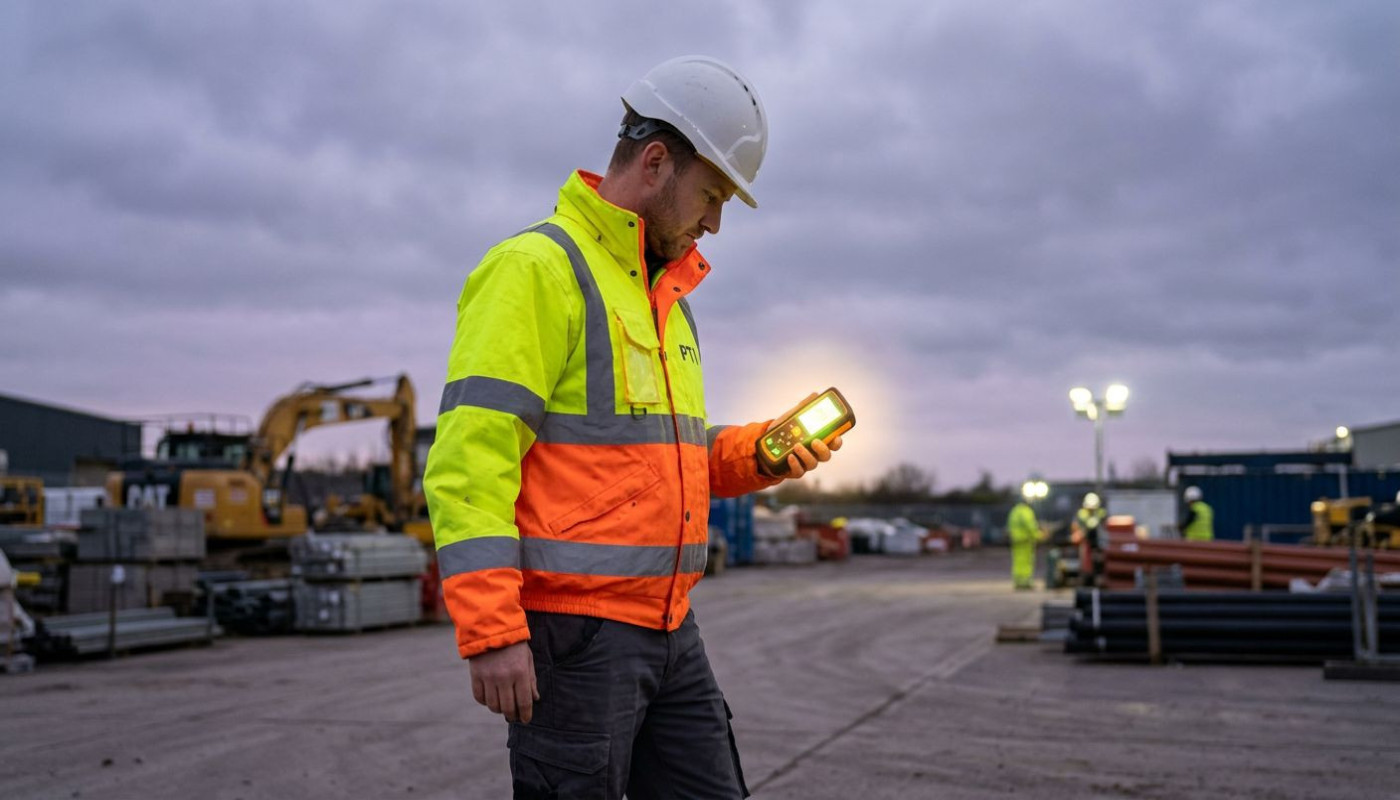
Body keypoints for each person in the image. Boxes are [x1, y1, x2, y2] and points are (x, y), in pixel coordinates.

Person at [423, 56, 841, 800]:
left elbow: (672, 460)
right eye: (711, 195)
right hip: (575, 637)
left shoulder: (666, 299)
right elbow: (468, 463)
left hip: (670, 626)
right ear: (655, 163)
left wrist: (766, 453)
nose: (714, 221)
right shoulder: (536, 270)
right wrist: (490, 630)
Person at [1070, 492, 1108, 586]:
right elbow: (1076, 526)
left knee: (1097, 560)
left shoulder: (1101, 513)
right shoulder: (1082, 514)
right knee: (1085, 562)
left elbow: (1105, 525)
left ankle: (1096, 576)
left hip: (1098, 542)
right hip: (1086, 541)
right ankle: (1086, 577)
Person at [1005, 498, 1041, 590]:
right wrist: (1038, 536)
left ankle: (1018, 581)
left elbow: (1010, 526)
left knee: (1017, 561)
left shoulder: (1014, 511)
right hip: (1025, 540)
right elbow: (1031, 526)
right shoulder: (1026, 512)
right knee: (1026, 561)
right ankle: (1025, 582)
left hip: (1016, 540)